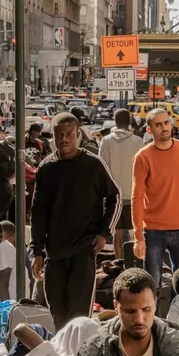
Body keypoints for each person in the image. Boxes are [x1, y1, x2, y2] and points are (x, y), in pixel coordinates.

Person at [31, 113, 120, 327]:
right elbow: (38, 212)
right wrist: (37, 251)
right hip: (54, 253)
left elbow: (114, 197)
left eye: (69, 134)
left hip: (84, 250)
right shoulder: (46, 168)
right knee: (58, 313)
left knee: (79, 317)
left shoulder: (93, 164)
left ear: (78, 134)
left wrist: (104, 233)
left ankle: (79, 349)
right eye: (59, 135)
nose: (64, 139)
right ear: (53, 137)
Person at [132, 108, 179, 283]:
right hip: (153, 231)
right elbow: (137, 197)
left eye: (166, 123)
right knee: (152, 285)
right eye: (158, 125)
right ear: (149, 130)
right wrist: (138, 236)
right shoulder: (143, 157)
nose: (164, 127)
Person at [99, 108, 145, 256]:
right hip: (134, 194)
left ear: (115, 121)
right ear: (129, 121)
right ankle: (135, 262)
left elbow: (101, 168)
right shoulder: (138, 142)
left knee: (117, 233)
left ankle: (118, 262)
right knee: (135, 233)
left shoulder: (106, 141)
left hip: (113, 196)